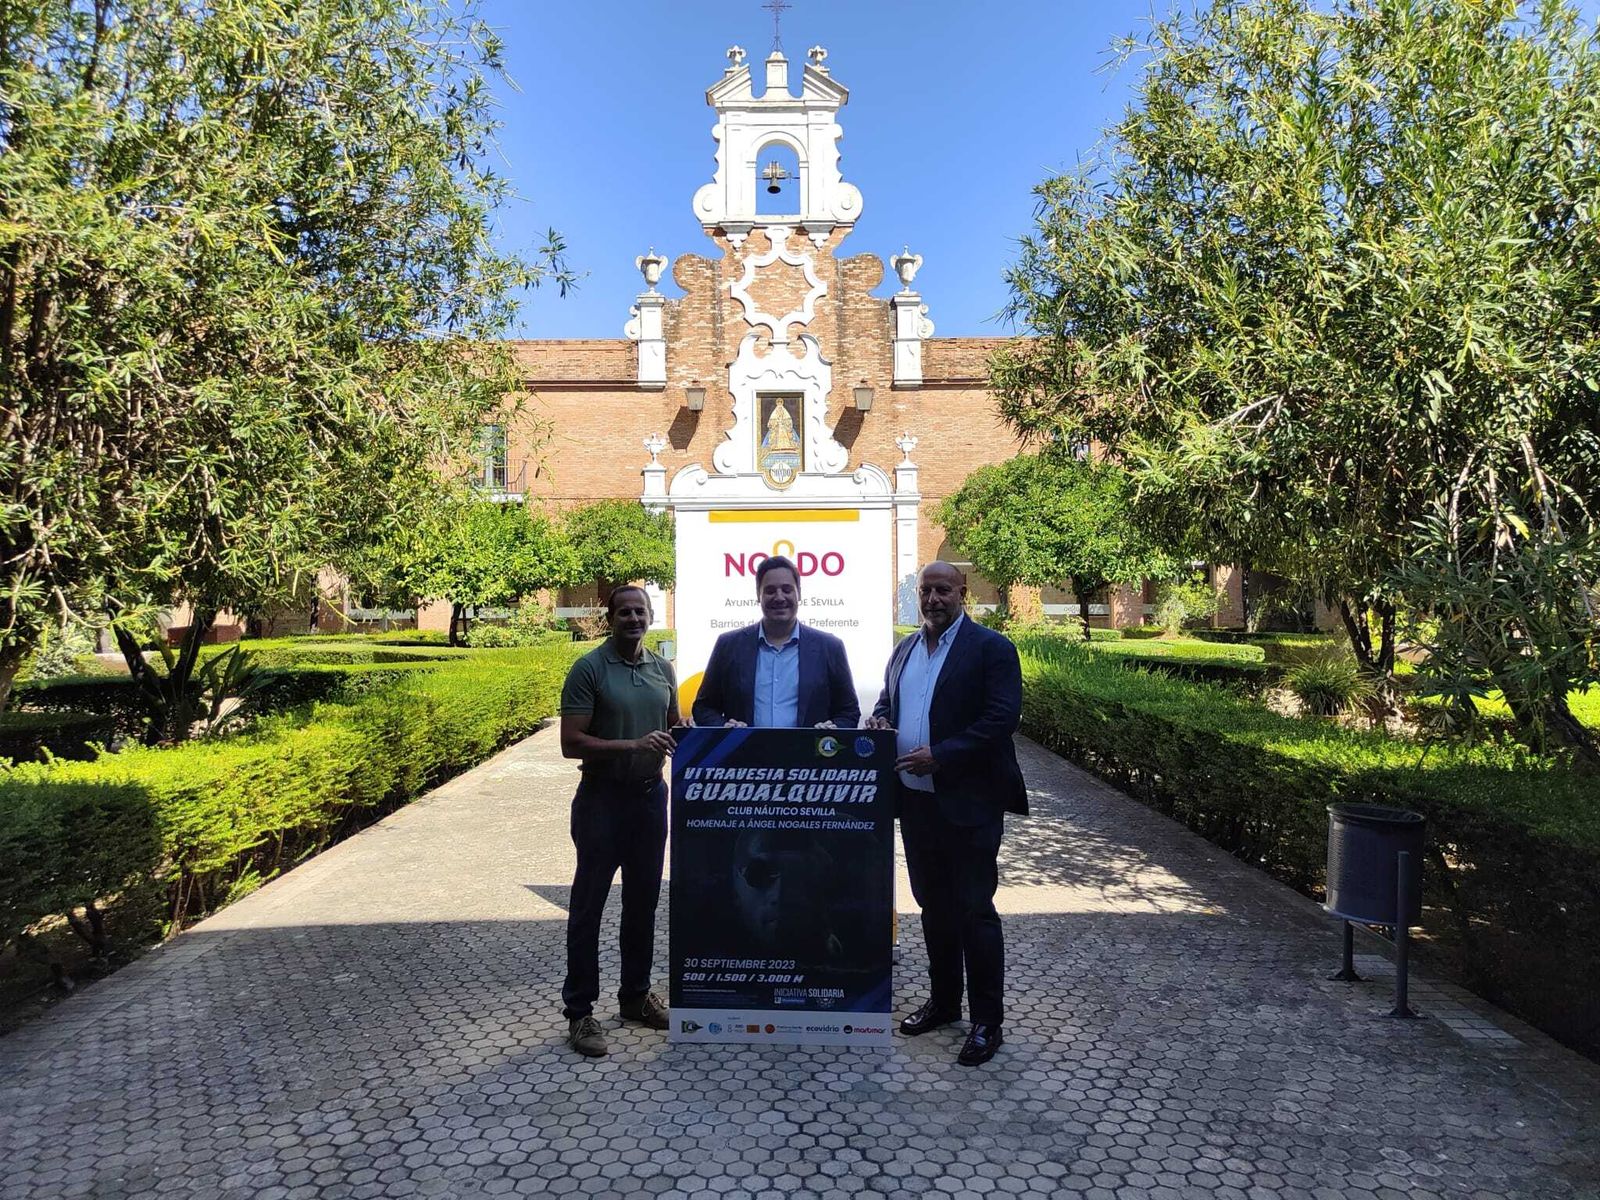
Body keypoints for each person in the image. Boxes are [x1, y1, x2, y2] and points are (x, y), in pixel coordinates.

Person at [865, 561, 1026, 1066]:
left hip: (969, 803)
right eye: (926, 590)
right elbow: (891, 702)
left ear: (963, 593)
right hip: (916, 801)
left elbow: (1002, 718)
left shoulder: (992, 649)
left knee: (975, 910)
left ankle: (987, 1022)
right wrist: (881, 718)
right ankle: (944, 1003)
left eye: (943, 590)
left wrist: (943, 753)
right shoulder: (906, 650)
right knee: (932, 907)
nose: (933, 598)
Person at [557, 585, 680, 1057]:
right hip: (602, 802)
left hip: (650, 802)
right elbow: (571, 742)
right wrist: (633, 746)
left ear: (650, 617)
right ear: (609, 618)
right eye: (625, 612)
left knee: (643, 905)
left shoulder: (661, 668)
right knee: (588, 908)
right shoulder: (589, 668)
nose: (634, 619)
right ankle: (580, 1012)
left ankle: (634, 998)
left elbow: (673, 728)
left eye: (640, 612)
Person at [692, 555, 860, 729]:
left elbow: (849, 712)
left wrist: (832, 729)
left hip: (807, 755)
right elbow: (703, 708)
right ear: (758, 595)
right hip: (744, 755)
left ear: (799, 593)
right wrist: (724, 727)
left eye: (787, 589)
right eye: (770, 590)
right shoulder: (728, 646)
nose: (779, 597)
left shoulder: (830, 648)